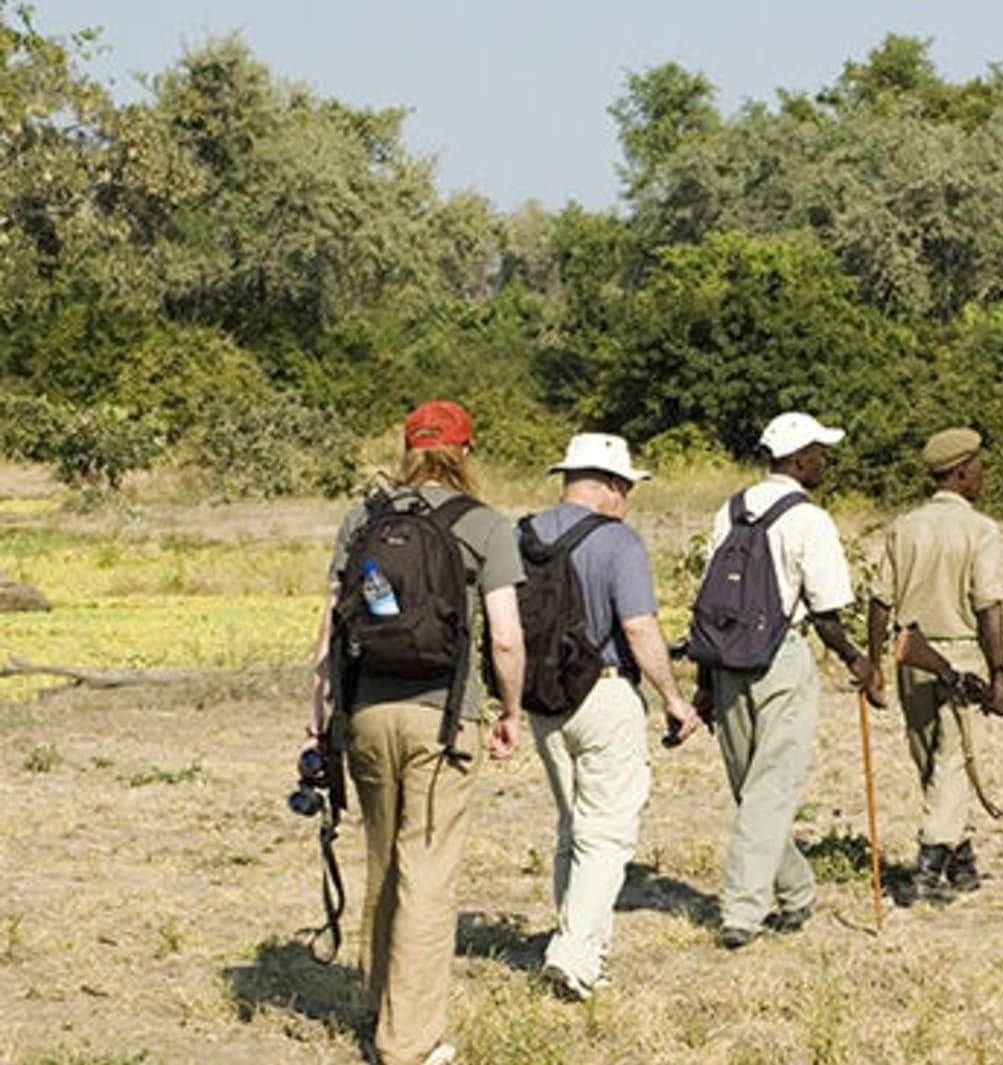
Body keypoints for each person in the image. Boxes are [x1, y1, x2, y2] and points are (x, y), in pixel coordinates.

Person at [307, 399, 525, 1065]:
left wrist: (319, 723)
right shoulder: (485, 525)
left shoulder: (364, 519)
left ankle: (380, 1001)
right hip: (444, 717)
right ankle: (407, 1042)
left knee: (384, 860)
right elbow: (508, 639)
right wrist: (511, 712)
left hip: (368, 712)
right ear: (467, 450)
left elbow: (329, 634)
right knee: (428, 871)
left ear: (408, 449)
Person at [694, 411, 880, 949]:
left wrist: (706, 681)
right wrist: (857, 661)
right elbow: (825, 612)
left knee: (754, 790)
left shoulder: (727, 512)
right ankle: (743, 913)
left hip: (727, 662)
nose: (825, 460)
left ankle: (796, 895)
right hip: (781, 657)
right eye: (820, 452)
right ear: (799, 460)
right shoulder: (809, 519)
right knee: (769, 791)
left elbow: (712, 604)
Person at [527, 433, 701, 1000]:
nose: (628, 497)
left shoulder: (521, 534)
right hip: (604, 691)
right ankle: (574, 955)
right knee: (607, 833)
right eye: (626, 486)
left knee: (573, 826)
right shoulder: (618, 541)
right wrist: (673, 697)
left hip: (543, 699)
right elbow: (638, 627)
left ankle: (587, 948)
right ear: (608, 484)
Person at [866, 427, 1003, 905]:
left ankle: (960, 860)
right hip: (960, 652)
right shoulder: (979, 529)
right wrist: (999, 672)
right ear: (964, 471)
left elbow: (880, 601)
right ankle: (928, 867)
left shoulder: (904, 526)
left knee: (931, 758)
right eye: (979, 469)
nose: (981, 477)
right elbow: (988, 605)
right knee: (953, 761)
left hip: (911, 653)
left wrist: (876, 663)